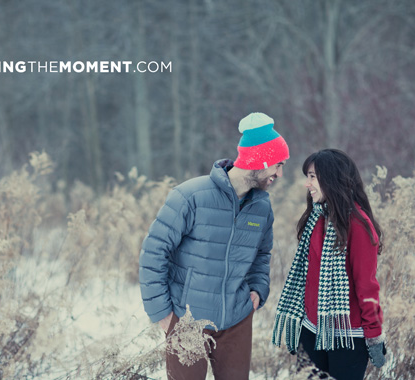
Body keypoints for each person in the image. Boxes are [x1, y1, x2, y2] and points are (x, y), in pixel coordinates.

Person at [139, 112, 290, 380]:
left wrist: (257, 288)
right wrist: (163, 314)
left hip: (236, 319)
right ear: (259, 160)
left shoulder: (262, 207)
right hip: (187, 320)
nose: (279, 174)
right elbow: (154, 252)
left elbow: (261, 254)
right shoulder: (190, 196)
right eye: (278, 165)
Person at [272, 149, 386, 380]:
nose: (307, 184)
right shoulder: (317, 218)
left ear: (331, 178)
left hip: (347, 338)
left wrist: (373, 335)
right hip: (312, 330)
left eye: (312, 176)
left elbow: (367, 286)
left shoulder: (358, 225)